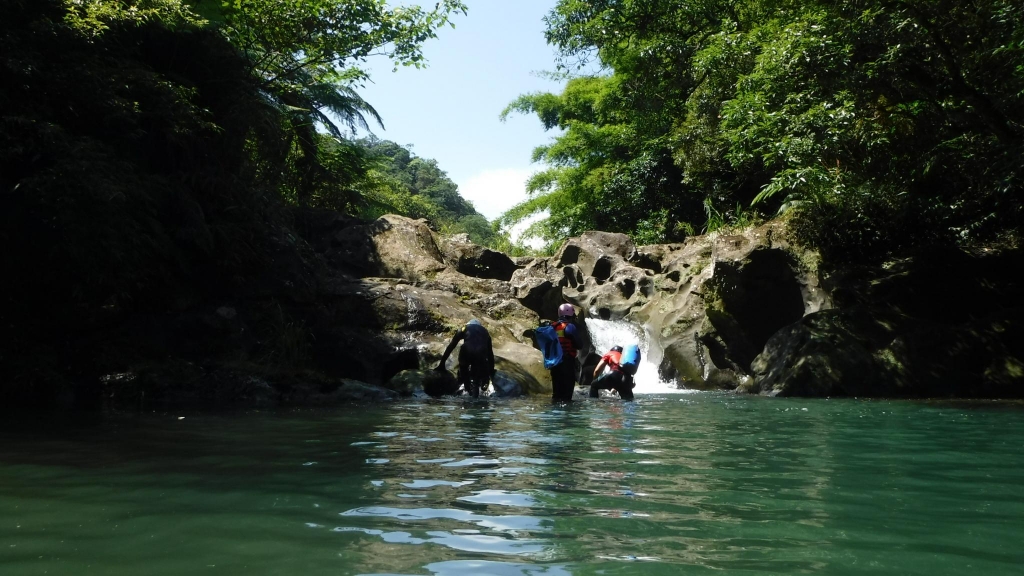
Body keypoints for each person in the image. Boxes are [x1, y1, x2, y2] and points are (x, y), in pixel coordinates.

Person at [436, 319, 495, 397]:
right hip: (480, 353)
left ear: (468, 324)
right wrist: (491, 370)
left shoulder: (464, 328)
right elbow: (490, 354)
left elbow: (451, 346)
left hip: (466, 351)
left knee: (463, 367)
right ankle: (478, 386)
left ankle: (467, 387)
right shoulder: (485, 331)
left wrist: (442, 363)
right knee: (477, 378)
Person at [549, 303, 580, 401]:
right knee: (567, 395)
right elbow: (580, 345)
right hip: (567, 363)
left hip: (554, 363)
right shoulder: (570, 327)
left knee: (556, 394)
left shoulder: (552, 327)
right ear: (571, 314)